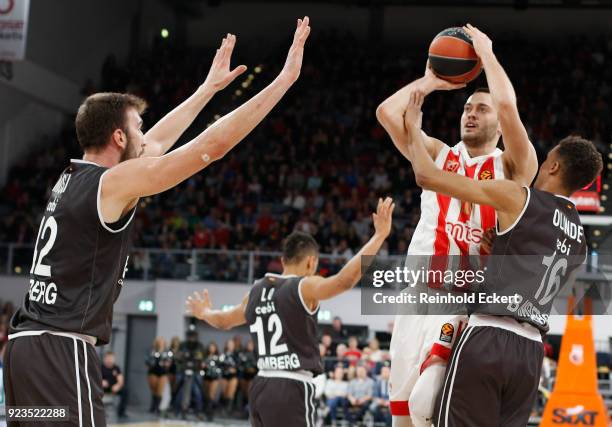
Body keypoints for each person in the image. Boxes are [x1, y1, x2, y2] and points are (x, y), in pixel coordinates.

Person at [3, 17, 311, 426]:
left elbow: (158, 143)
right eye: (138, 128)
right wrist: (283, 82)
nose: (145, 136)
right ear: (118, 138)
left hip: (25, 349)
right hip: (59, 350)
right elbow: (210, 146)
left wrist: (207, 90)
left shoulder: (74, 176)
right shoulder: (111, 183)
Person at [401, 87, 602, 426]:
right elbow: (532, 268)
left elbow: (427, 177)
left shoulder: (520, 199)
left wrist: (413, 127)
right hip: (531, 351)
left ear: (552, 164)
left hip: (488, 333)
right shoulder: (580, 241)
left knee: (423, 408)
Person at [376, 24, 538, 427]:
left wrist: (488, 56)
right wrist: (429, 81)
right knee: (401, 414)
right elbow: (385, 113)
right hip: (416, 296)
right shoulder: (437, 153)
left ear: (498, 124)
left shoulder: (514, 167)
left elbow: (508, 105)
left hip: (462, 301)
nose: (470, 113)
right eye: (467, 107)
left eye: (481, 109)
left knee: (425, 402)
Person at [186, 198, 395, 427]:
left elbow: (225, 321)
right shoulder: (304, 286)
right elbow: (344, 281)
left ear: (283, 260)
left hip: (261, 385)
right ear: (311, 262)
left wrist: (204, 312)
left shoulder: (257, 289)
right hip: (291, 385)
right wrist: (379, 236)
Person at [146, 336, 169, 414]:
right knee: (154, 390)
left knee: (160, 390)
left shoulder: (167, 351)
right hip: (153, 371)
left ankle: (157, 408)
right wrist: (151, 362)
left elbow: (170, 361)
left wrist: (166, 363)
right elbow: (147, 360)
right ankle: (153, 406)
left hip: (163, 372)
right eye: (159, 341)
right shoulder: (152, 350)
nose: (161, 343)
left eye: (162, 341)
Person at [101, 352, 127, 418]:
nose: (109, 360)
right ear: (105, 359)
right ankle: (100, 412)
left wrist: (118, 385)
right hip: (102, 388)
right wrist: (101, 382)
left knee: (125, 391)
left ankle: (121, 412)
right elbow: (94, 378)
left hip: (113, 388)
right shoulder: (100, 367)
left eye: (111, 358)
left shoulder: (116, 368)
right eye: (108, 358)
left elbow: (121, 380)